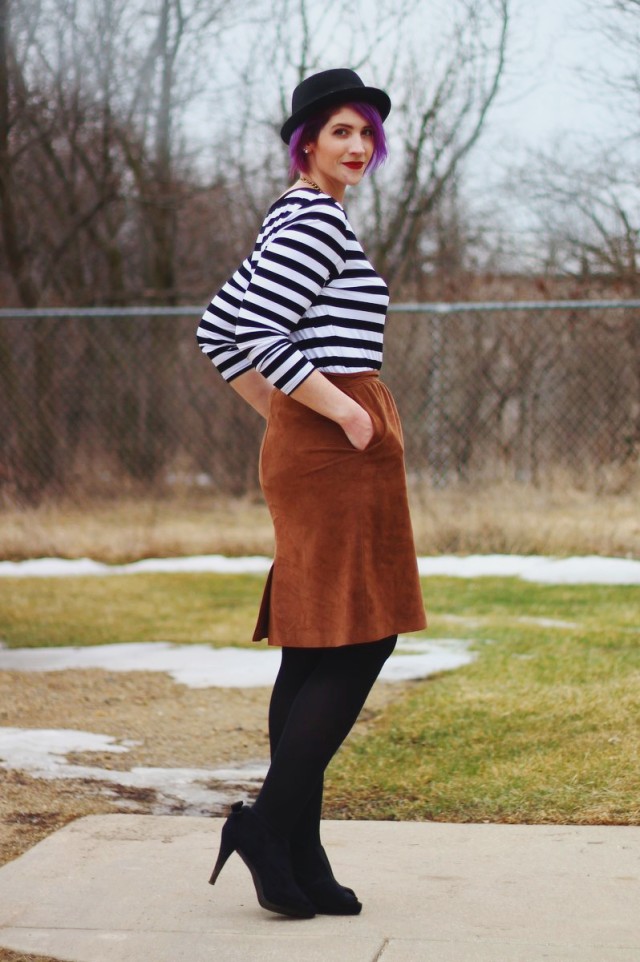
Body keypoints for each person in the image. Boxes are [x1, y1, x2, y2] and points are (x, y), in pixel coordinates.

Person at [196, 68, 427, 920]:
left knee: (318, 643)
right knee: (362, 638)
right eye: (340, 132)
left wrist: (279, 410)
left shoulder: (295, 219)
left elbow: (217, 328)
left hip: (318, 444)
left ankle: (297, 847)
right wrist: (335, 410)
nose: (358, 147)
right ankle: (267, 828)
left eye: (365, 132)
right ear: (306, 142)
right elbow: (252, 332)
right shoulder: (312, 219)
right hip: (334, 448)